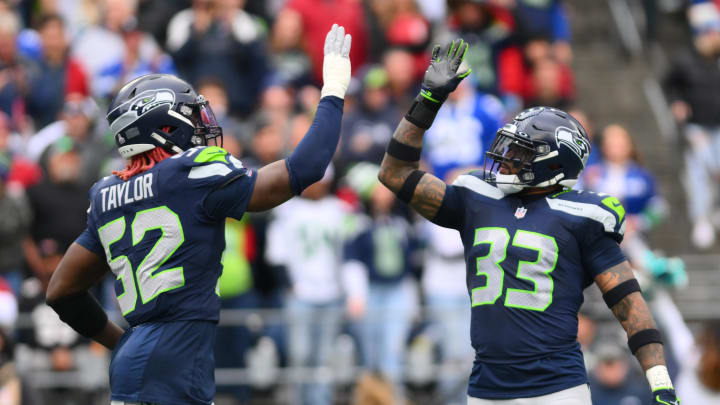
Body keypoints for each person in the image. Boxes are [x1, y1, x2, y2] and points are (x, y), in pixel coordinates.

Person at [44, 24, 352, 405]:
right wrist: (334, 91)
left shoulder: (108, 192)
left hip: (139, 360)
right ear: (165, 126)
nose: (203, 126)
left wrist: (122, 341)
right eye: (191, 117)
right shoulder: (190, 174)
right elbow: (302, 170)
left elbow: (61, 291)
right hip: (173, 364)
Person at [377, 39, 680, 404]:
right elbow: (394, 173)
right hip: (487, 388)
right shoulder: (477, 197)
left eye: (519, 153)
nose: (504, 159)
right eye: (507, 148)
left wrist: (660, 381)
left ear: (555, 164)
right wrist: (427, 102)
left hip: (557, 389)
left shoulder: (582, 216)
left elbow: (629, 305)